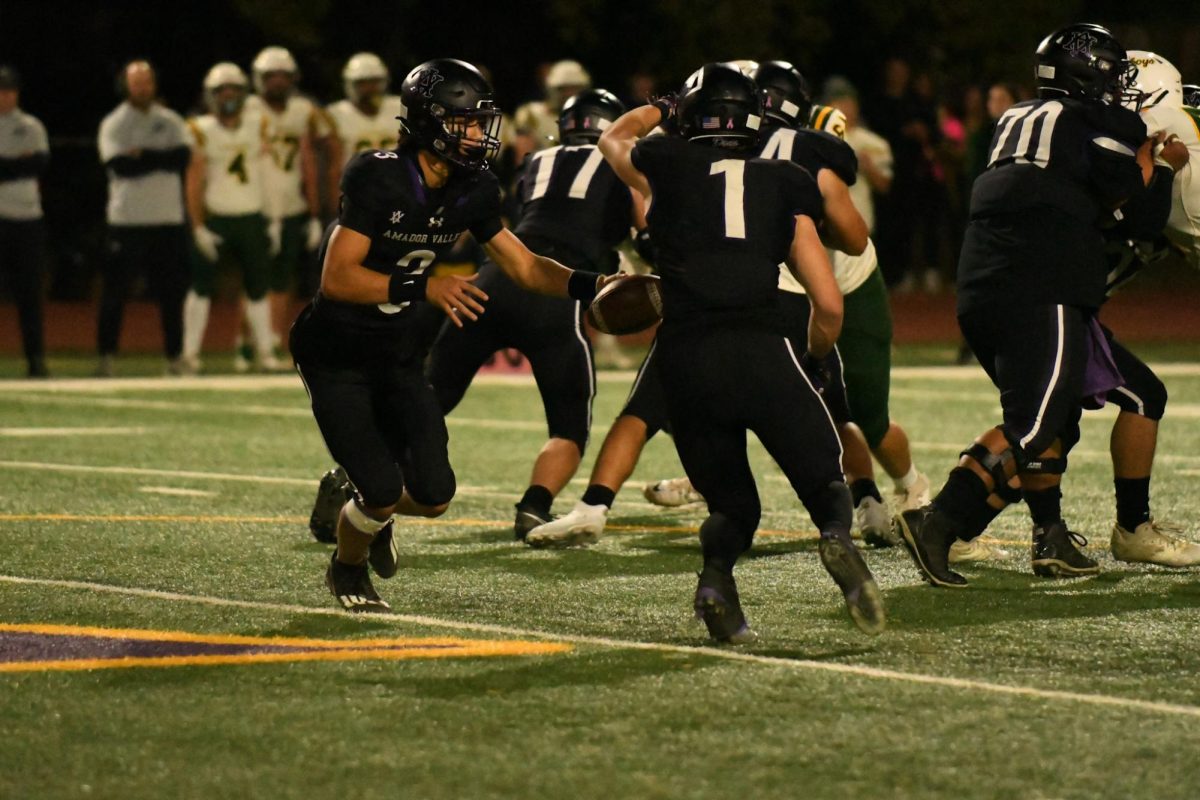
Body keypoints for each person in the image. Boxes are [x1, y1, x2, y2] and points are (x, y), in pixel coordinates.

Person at [290, 58, 613, 614]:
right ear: (429, 122)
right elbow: (337, 279)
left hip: (395, 354)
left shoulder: (474, 188)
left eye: (478, 122)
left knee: (435, 497)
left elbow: (528, 267)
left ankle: (371, 515)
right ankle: (347, 567)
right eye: (464, 123)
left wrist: (596, 284)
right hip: (336, 353)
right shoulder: (379, 174)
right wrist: (426, 286)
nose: (476, 135)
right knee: (383, 489)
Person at [596, 62, 885, 641]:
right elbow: (827, 302)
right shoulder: (783, 178)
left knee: (732, 510)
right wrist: (815, 350)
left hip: (685, 359)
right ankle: (836, 539)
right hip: (764, 348)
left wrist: (662, 103)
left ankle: (716, 580)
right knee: (825, 485)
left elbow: (613, 137)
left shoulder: (668, 164)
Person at [896, 24, 1184, 588]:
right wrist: (1165, 163)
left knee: (1091, 405)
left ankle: (1049, 535)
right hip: (1040, 286)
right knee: (1036, 422)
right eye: (1112, 74)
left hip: (987, 283)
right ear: (1087, 75)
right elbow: (1142, 216)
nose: (1121, 89)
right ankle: (937, 522)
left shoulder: (1017, 118)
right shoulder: (1092, 122)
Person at [428, 88, 647, 540]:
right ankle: (534, 505)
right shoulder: (623, 161)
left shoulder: (538, 162)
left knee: (429, 400)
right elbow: (645, 229)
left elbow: (516, 220)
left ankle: (356, 478)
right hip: (554, 284)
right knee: (569, 426)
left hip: (493, 279)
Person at [95, 60, 191, 377]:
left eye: (147, 81)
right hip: (127, 221)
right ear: (126, 85)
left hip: (168, 220)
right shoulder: (114, 123)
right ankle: (106, 358)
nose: (143, 87)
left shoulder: (171, 120)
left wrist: (144, 155)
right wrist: (158, 158)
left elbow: (182, 158)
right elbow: (120, 166)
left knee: (171, 293)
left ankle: (175, 357)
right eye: (136, 82)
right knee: (115, 293)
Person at [181, 62, 278, 374]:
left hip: (250, 215)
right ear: (210, 96)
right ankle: (190, 354)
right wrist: (197, 226)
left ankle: (265, 352)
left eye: (234, 90)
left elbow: (267, 174)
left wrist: (273, 217)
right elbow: (194, 180)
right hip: (217, 217)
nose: (228, 96)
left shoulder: (257, 125)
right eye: (221, 91)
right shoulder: (200, 128)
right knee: (200, 286)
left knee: (258, 288)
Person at [246, 47, 332, 368]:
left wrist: (313, 212)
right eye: (271, 76)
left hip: (292, 203)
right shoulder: (247, 108)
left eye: (283, 76)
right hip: (255, 205)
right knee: (253, 276)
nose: (278, 82)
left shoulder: (303, 111)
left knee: (282, 278)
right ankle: (248, 341)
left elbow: (315, 155)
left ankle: (269, 339)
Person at [0, 65, 49, 378]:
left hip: (27, 220)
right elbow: (23, 166)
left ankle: (36, 360)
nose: (5, 96)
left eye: (9, 90)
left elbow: (39, 164)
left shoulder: (31, 125)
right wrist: (18, 163)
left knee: (30, 294)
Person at [325, 52, 405, 194]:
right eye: (362, 83)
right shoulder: (336, 114)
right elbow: (332, 165)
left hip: (397, 191)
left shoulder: (400, 107)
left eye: (374, 82)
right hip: (356, 193)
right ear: (350, 85)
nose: (369, 89)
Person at [512, 60, 591, 164]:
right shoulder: (531, 114)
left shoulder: (589, 118)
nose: (570, 93)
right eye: (564, 89)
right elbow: (524, 160)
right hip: (542, 174)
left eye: (575, 88)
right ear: (552, 89)